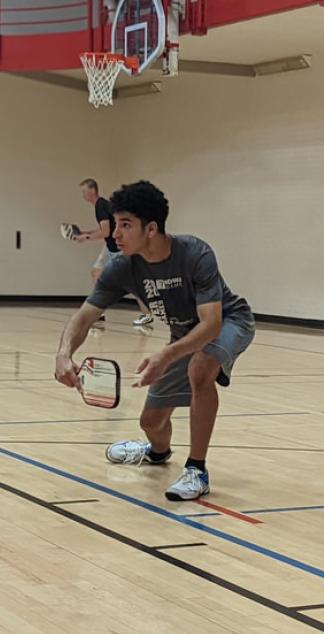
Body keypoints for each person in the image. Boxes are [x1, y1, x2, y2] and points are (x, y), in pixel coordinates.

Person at [55, 180, 255, 501]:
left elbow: (210, 323)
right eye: (115, 224)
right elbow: (85, 315)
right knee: (151, 422)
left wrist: (165, 356)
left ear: (150, 229)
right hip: (182, 334)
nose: (115, 234)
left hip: (228, 321)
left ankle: (197, 469)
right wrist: (63, 353)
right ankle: (157, 453)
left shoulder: (195, 254)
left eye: (125, 225)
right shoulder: (121, 268)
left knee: (201, 368)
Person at [76, 178, 152, 327]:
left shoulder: (100, 205)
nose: (83, 195)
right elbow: (105, 229)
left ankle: (147, 314)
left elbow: (106, 231)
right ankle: (98, 312)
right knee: (96, 272)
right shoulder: (101, 205)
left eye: (84, 191)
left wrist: (86, 237)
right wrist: (86, 232)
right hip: (109, 247)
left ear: (92, 190)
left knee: (132, 282)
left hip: (117, 248)